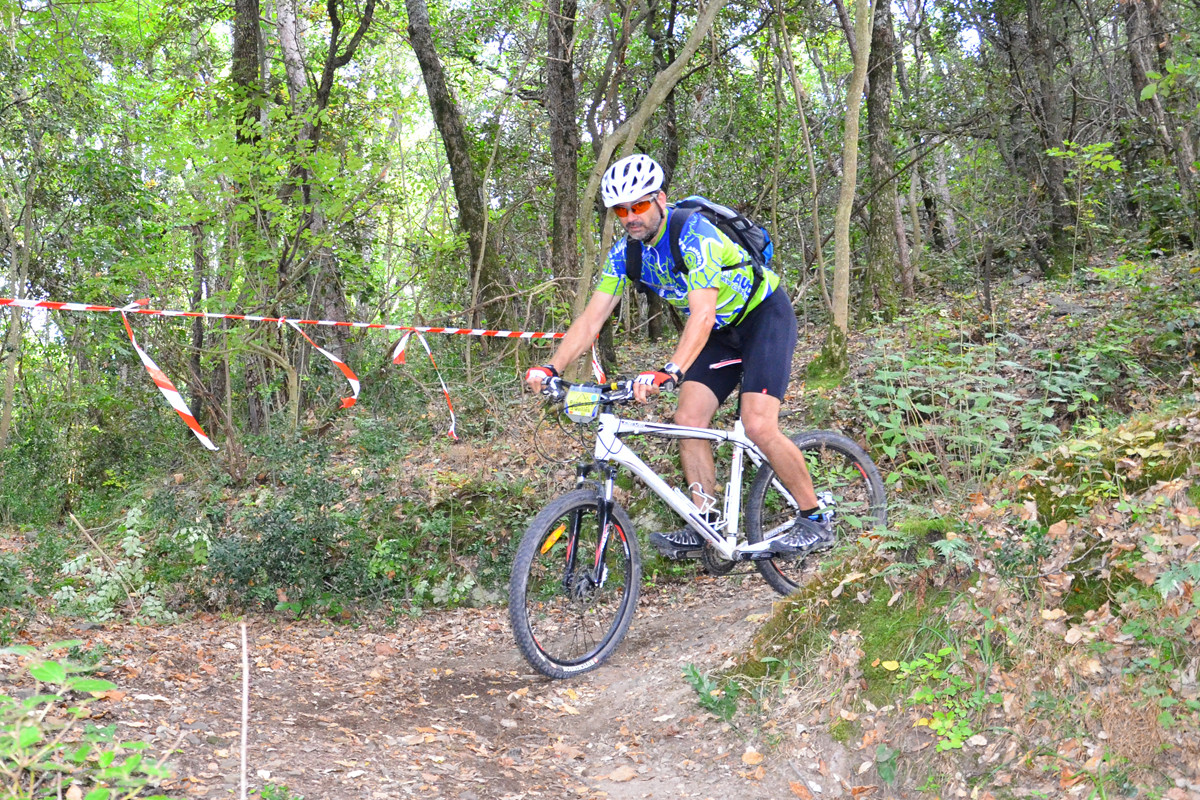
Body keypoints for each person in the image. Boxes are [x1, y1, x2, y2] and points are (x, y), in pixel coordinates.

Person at [523, 154, 831, 558]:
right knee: (687, 420)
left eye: (638, 205)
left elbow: (702, 314)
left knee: (757, 424)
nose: (630, 216)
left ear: (660, 199)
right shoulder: (626, 254)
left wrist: (671, 370)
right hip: (719, 335)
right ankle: (706, 524)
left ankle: (814, 518)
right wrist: (551, 368)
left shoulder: (694, 233)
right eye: (621, 209)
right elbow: (590, 321)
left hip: (761, 318)